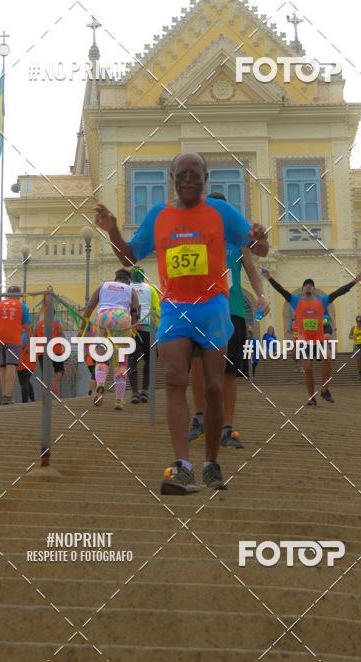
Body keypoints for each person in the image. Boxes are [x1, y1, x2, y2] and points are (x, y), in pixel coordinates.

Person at [94, 152, 268, 494]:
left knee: (215, 385)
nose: (188, 180)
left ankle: (211, 462)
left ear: (206, 178)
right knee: (175, 380)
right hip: (175, 308)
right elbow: (131, 256)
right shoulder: (159, 215)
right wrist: (113, 230)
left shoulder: (221, 213)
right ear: (171, 177)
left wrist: (260, 237)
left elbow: (257, 250)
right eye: (182, 175)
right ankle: (183, 465)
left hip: (213, 307)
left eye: (195, 175)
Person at [188, 191, 270, 449]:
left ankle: (227, 427)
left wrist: (261, 296)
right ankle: (200, 418)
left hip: (231, 309)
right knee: (197, 361)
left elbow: (253, 270)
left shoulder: (238, 243)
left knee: (230, 372)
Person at [261, 268, 361, 405]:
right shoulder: (295, 301)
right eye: (305, 285)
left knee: (327, 356)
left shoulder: (322, 301)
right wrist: (269, 278)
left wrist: (354, 282)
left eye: (311, 285)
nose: (308, 286)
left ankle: (325, 390)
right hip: (304, 342)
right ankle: (311, 398)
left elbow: (339, 292)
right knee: (308, 368)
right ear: (302, 289)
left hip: (319, 340)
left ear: (314, 290)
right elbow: (281, 290)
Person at [82, 269, 140, 410]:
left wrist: (82, 328)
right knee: (121, 362)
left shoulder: (103, 286)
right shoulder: (130, 290)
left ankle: (100, 383)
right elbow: (135, 313)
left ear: (115, 279)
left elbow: (89, 307)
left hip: (103, 317)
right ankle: (119, 401)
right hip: (122, 318)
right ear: (128, 281)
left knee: (102, 358)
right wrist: (133, 329)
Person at [0, 285, 31, 405]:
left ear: (7, 295)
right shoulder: (22, 306)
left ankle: (4, 395)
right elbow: (27, 327)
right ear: (19, 295)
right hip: (14, 339)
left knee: (2, 367)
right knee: (11, 366)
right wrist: (29, 343)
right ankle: (8, 396)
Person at [128, 267, 160, 404]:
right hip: (148, 328)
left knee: (132, 359)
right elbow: (157, 309)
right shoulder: (150, 288)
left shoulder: (127, 288)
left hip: (131, 328)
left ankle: (134, 393)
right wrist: (158, 327)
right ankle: (144, 391)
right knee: (150, 360)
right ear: (143, 276)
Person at [33, 291, 65, 397]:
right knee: (60, 370)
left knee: (45, 374)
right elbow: (61, 335)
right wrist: (64, 347)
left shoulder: (38, 325)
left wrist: (34, 354)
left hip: (42, 352)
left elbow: (34, 338)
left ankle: (45, 394)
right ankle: (54, 382)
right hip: (55, 350)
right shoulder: (56, 323)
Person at [17, 328, 36, 403]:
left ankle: (24, 401)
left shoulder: (24, 337)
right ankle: (32, 398)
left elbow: (19, 346)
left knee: (23, 383)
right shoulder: (31, 338)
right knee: (26, 381)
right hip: (30, 364)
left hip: (24, 364)